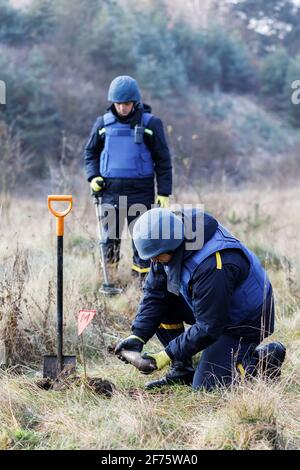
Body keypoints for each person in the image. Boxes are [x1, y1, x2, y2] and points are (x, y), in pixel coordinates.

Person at [114, 208, 286, 391]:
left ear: (172, 246)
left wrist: (166, 354)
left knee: (207, 387)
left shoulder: (213, 264)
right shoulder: (167, 242)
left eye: (156, 256)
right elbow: (155, 294)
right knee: (164, 305)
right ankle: (182, 371)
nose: (154, 261)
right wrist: (138, 335)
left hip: (245, 320)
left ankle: (265, 359)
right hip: (212, 307)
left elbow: (209, 326)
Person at [84, 76, 172, 277]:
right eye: (119, 103)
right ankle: (110, 280)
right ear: (112, 102)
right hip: (110, 191)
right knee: (110, 239)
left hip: (141, 191)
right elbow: (90, 153)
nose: (123, 108)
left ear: (135, 102)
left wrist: (165, 192)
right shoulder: (102, 124)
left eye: (127, 103)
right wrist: (93, 177)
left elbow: (163, 160)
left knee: (142, 239)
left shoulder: (151, 124)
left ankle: (142, 283)